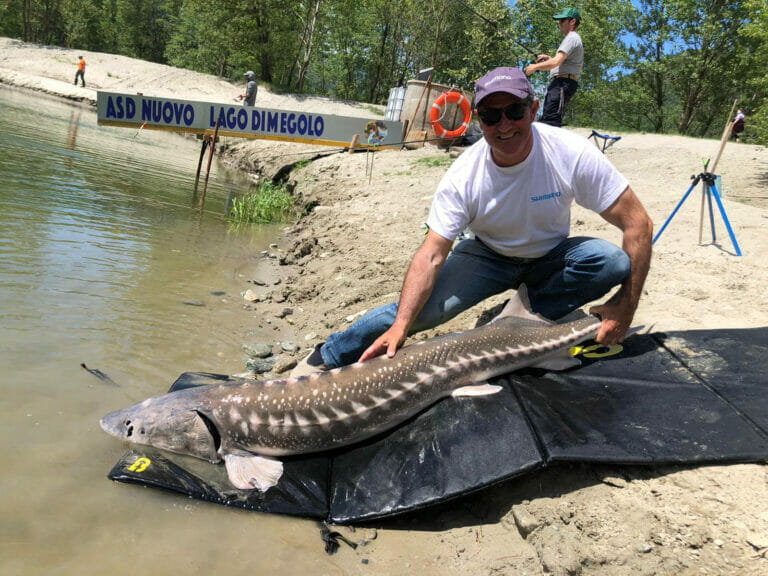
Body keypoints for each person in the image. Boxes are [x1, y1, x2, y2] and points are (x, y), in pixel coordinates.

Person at [293, 66, 652, 376]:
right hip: (487, 256)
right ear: (479, 120)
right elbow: (431, 255)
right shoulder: (465, 173)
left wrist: (626, 305)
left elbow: (638, 224)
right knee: (418, 312)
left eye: (514, 110)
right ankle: (325, 356)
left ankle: (520, 318)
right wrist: (403, 326)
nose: (505, 125)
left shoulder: (571, 154)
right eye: (492, 116)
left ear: (534, 109)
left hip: (552, 255)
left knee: (611, 262)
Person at [525, 7, 583, 127]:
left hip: (562, 83)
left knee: (551, 120)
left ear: (572, 22)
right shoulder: (572, 39)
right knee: (549, 117)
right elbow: (558, 62)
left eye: (562, 20)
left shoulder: (571, 38)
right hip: (562, 83)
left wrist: (535, 66)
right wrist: (548, 59)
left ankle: (551, 145)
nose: (559, 23)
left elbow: (556, 62)